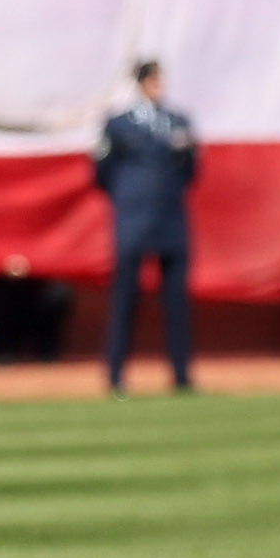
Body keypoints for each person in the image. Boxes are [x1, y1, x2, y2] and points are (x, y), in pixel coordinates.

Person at [94, 59, 200, 395]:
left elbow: (192, 170)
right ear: (141, 83)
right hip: (133, 220)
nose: (159, 85)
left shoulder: (178, 122)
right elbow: (101, 172)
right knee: (125, 300)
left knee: (177, 302)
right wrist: (129, 199)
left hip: (171, 219)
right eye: (153, 79)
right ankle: (115, 377)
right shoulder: (119, 124)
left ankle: (182, 376)